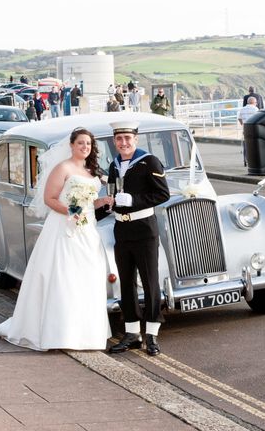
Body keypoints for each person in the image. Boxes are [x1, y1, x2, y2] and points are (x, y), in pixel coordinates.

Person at [0, 128, 113, 351]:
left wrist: (102, 201)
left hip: (87, 231)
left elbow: (90, 203)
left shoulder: (90, 171)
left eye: (88, 144)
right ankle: (60, 333)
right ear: (72, 145)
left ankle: (86, 333)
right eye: (80, 143)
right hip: (64, 228)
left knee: (87, 277)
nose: (85, 147)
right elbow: (50, 198)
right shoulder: (63, 168)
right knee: (64, 276)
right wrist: (70, 211)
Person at [107, 121, 170, 357]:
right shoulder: (113, 165)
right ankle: (132, 334)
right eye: (119, 139)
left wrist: (134, 200)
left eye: (128, 138)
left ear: (136, 139)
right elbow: (112, 196)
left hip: (144, 229)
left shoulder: (148, 161)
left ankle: (151, 335)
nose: (124, 143)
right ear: (114, 141)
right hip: (121, 230)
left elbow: (162, 194)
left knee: (150, 282)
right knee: (126, 282)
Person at [237, 96, 259, 166]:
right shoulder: (255, 109)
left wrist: (243, 125)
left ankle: (245, 160)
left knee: (246, 145)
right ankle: (254, 159)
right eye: (256, 102)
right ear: (253, 102)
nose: (256, 103)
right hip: (254, 129)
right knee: (254, 145)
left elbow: (239, 119)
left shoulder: (243, 109)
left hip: (245, 128)